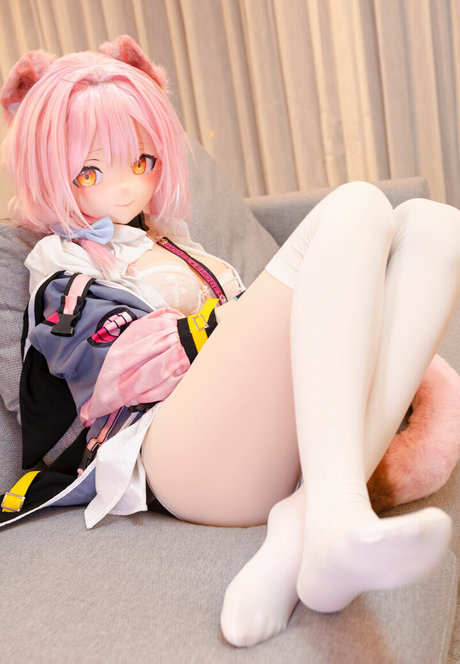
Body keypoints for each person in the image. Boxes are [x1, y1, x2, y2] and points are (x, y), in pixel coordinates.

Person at [1, 35, 459, 649]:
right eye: (91, 170)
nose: (126, 188)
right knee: (357, 205)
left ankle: (310, 526)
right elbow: (129, 367)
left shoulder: (176, 242)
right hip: (172, 457)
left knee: (437, 226)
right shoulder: (60, 266)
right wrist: (236, 318)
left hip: (250, 443)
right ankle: (329, 513)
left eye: (142, 161)